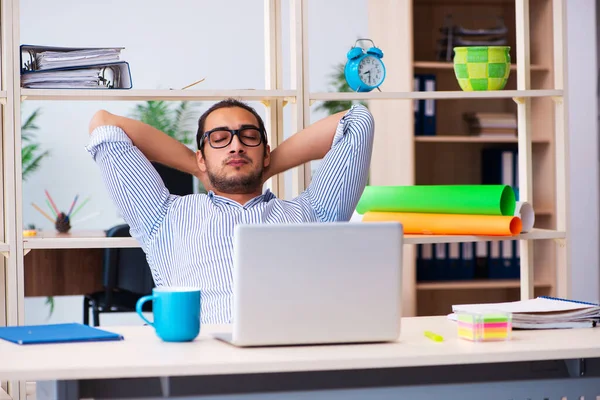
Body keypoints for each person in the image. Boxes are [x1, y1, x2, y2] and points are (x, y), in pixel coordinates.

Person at [86, 99, 374, 323]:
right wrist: (200, 170)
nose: (236, 145)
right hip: (201, 361)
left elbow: (358, 122)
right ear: (201, 156)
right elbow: (104, 124)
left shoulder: (313, 213)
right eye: (219, 138)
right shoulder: (163, 215)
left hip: (291, 357)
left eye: (249, 136)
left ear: (266, 153)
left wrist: (263, 167)